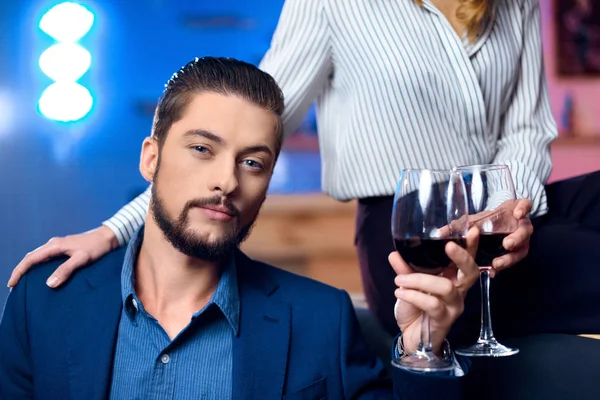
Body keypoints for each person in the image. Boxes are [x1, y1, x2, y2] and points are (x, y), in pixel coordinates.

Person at [10, 0, 557, 338]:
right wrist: (112, 230)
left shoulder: (514, 4)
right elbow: (245, 125)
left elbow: (529, 129)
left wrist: (513, 210)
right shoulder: (334, 3)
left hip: (503, 224)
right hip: (407, 232)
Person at [0, 57, 481, 400]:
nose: (227, 181)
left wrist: (424, 350)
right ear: (152, 157)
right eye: (202, 149)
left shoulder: (320, 321)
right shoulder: (43, 304)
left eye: (252, 162)